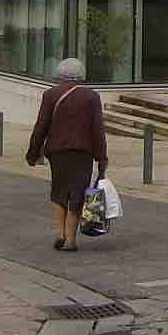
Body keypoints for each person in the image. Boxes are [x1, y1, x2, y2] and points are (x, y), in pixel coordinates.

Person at [25, 57, 109, 251]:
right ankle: (71, 239)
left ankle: (59, 233)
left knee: (59, 191)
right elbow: (98, 130)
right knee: (77, 193)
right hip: (83, 153)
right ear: (81, 74)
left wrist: (33, 153)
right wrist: (102, 158)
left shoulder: (50, 95)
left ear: (60, 74)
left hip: (57, 152)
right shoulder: (91, 97)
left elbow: (41, 126)